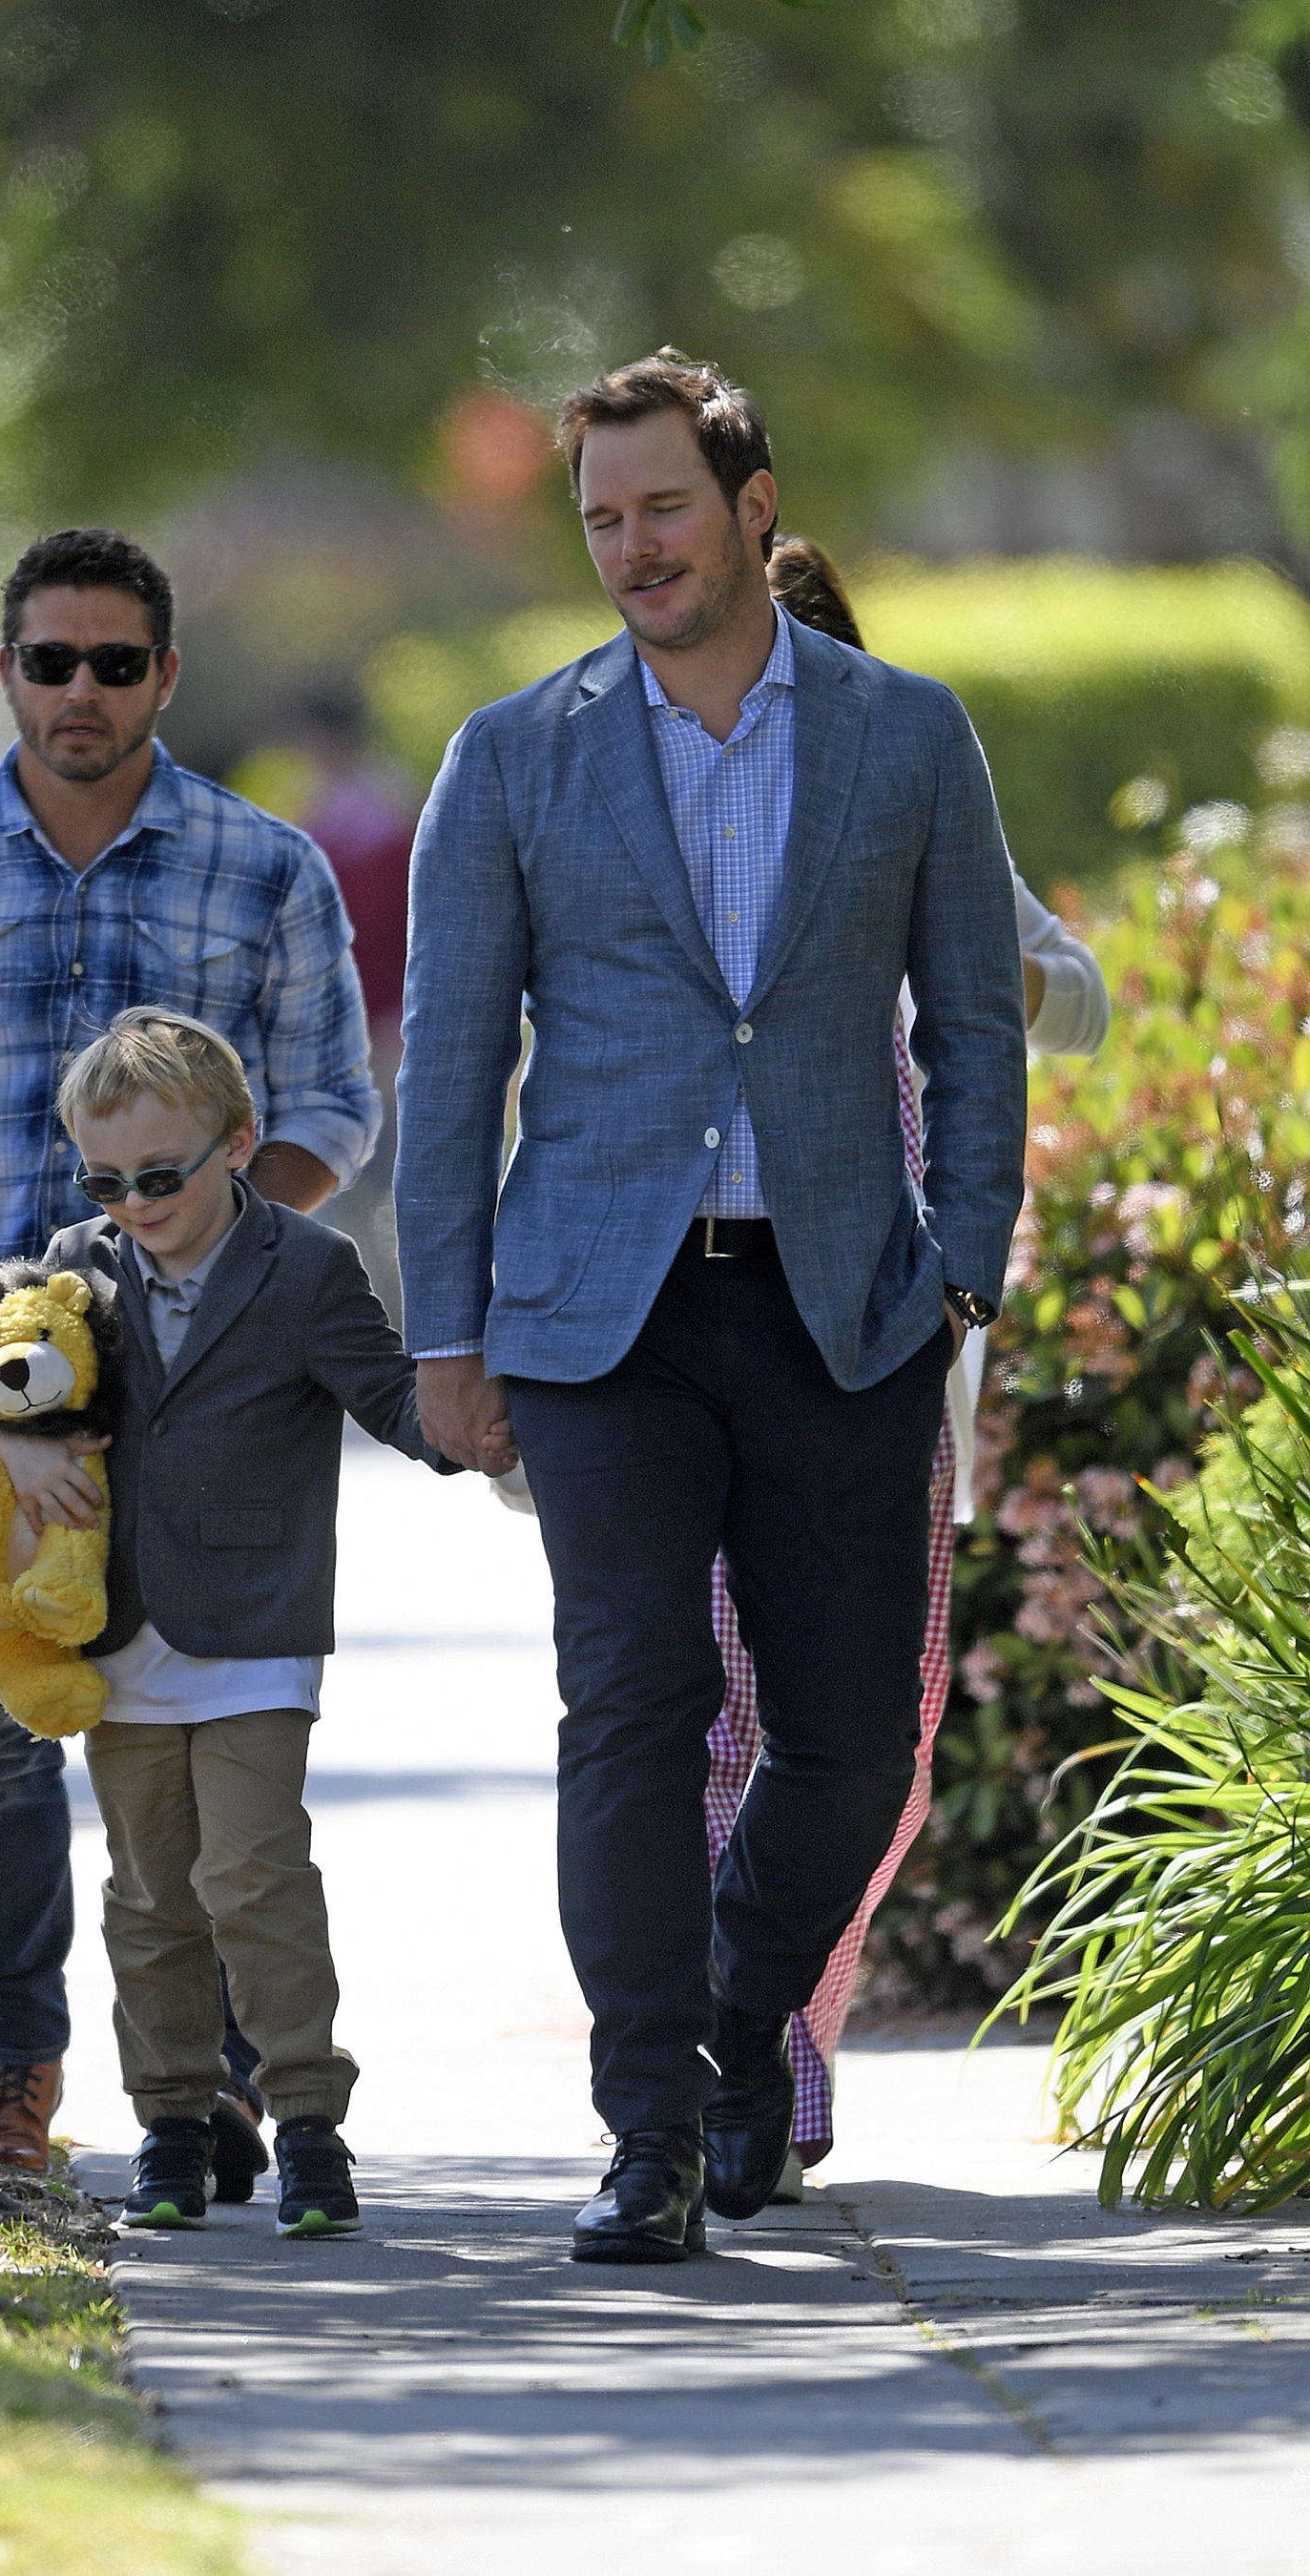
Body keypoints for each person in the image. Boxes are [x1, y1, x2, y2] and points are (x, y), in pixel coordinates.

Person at [394, 348, 1028, 2263]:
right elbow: (452, 1066)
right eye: (601, 518)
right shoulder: (515, 752)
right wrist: (447, 1332)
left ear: (754, 509)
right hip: (603, 1315)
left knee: (849, 1738)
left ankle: (743, 2026)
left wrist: (967, 1256)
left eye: (663, 507)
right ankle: (649, 2128)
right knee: (636, 1706)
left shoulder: (906, 737)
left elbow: (981, 1025)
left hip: (844, 1302)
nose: (632, 547)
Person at [0, 528, 381, 2178]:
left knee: (201, 1712)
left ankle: (232, 2073)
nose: (83, 691)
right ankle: (18, 2069)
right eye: (53, 661)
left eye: (118, 662)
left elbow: (330, 1101)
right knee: (1, 1712)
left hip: (203, 1372)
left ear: (166, 676)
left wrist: (231, 1250)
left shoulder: (263, 867)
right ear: (10, 672)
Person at [704, 541, 1108, 2187]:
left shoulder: (918, 807)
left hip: (886, 1353)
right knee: (713, 1717)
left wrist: (950, 966)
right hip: (687, 1345)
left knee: (880, 1734)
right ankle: (744, 2082)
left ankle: (764, 2032)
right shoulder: (658, 837)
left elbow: (1071, 997)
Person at [0, 1008, 475, 2232]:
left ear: (241, 1143)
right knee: (150, 1895)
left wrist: (488, 1429)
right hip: (121, 1627)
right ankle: (174, 2120)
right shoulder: (73, 1262)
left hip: (257, 1626)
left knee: (253, 1876)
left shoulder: (305, 1269)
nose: (135, 1201)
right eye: (108, 1179)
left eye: (161, 1176)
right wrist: (10, 1435)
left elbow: (396, 1402)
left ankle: (309, 2119)